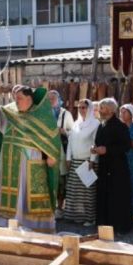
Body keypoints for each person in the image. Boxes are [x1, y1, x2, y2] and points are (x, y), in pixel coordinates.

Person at [0, 83, 61, 232]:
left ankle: (35, 225)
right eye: (15, 99)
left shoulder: (41, 116)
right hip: (10, 159)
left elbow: (51, 139)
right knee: (11, 193)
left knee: (29, 191)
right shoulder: (10, 113)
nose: (16, 102)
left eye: (20, 98)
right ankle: (6, 222)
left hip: (33, 162)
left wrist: (51, 155)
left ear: (30, 98)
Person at [93, 98, 133, 233]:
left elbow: (126, 146)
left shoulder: (120, 126)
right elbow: (99, 142)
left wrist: (107, 150)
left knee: (117, 196)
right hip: (104, 166)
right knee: (104, 194)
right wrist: (96, 149)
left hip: (117, 167)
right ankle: (105, 224)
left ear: (110, 110)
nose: (99, 111)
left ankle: (119, 225)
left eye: (102, 108)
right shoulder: (101, 125)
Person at [63, 99, 100, 226]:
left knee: (87, 192)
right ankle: (75, 216)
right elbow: (70, 142)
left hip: (87, 162)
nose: (81, 110)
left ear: (89, 108)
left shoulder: (95, 124)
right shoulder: (75, 124)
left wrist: (92, 160)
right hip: (75, 161)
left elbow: (95, 143)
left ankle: (89, 218)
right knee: (74, 191)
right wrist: (68, 158)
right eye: (79, 107)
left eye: (84, 107)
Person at [48, 90, 74, 219]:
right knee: (48, 178)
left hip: (61, 150)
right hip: (47, 150)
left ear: (58, 99)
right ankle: (48, 207)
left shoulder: (66, 114)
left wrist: (63, 131)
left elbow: (73, 132)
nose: (51, 100)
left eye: (53, 98)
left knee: (61, 180)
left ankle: (59, 207)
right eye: (49, 98)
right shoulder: (44, 113)